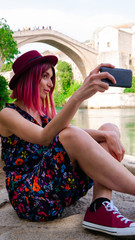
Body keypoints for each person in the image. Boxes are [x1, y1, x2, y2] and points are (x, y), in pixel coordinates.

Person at [0, 50, 135, 237]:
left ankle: (100, 206)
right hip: (31, 197)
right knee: (73, 134)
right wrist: (79, 96)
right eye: (45, 76)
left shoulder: (44, 114)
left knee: (108, 128)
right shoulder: (7, 114)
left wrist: (107, 135)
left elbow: (74, 134)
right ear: (29, 78)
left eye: (51, 77)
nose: (51, 83)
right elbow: (44, 137)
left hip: (55, 186)